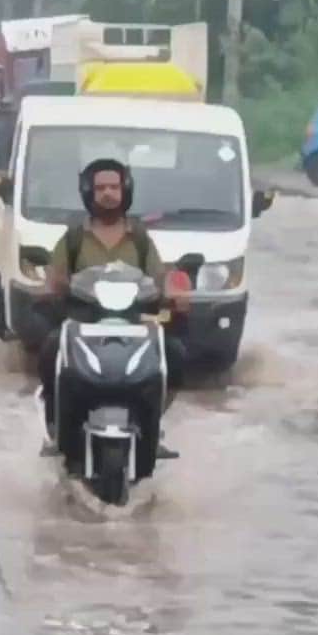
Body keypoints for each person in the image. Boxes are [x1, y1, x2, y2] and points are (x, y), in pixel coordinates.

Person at [36, 158, 191, 447]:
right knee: (49, 349)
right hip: (83, 325)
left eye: (114, 187)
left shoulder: (140, 238)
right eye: (101, 188)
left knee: (176, 354)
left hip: (134, 327)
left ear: (125, 190)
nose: (108, 193)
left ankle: (153, 423)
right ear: (88, 192)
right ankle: (56, 424)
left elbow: (160, 276)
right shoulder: (73, 237)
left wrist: (175, 293)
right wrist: (49, 287)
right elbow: (54, 275)